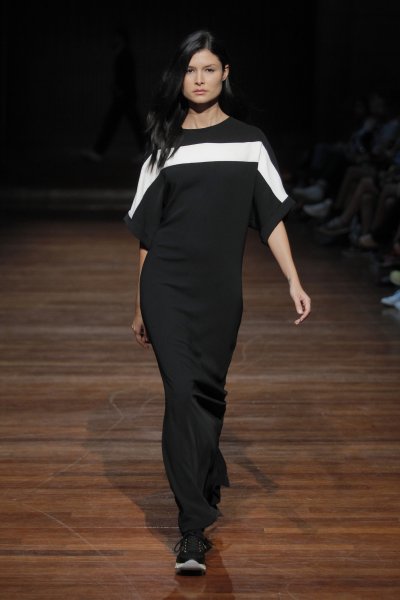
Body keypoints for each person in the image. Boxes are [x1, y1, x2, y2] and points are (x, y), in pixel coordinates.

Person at [123, 30, 311, 575]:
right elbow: (147, 234)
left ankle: (205, 481)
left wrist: (294, 280)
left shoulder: (251, 142)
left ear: (225, 73)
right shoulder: (165, 145)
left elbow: (271, 218)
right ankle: (191, 531)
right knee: (182, 393)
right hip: (166, 286)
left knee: (207, 394)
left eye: (208, 69)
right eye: (190, 70)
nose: (199, 79)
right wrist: (139, 304)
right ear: (179, 78)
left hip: (220, 292)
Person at [84, 27, 145, 161]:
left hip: (124, 97)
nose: (114, 39)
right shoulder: (122, 54)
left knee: (116, 124)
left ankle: (98, 152)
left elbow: (127, 77)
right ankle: (98, 152)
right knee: (127, 124)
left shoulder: (125, 55)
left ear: (122, 39)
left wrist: (119, 90)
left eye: (116, 37)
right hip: (124, 96)